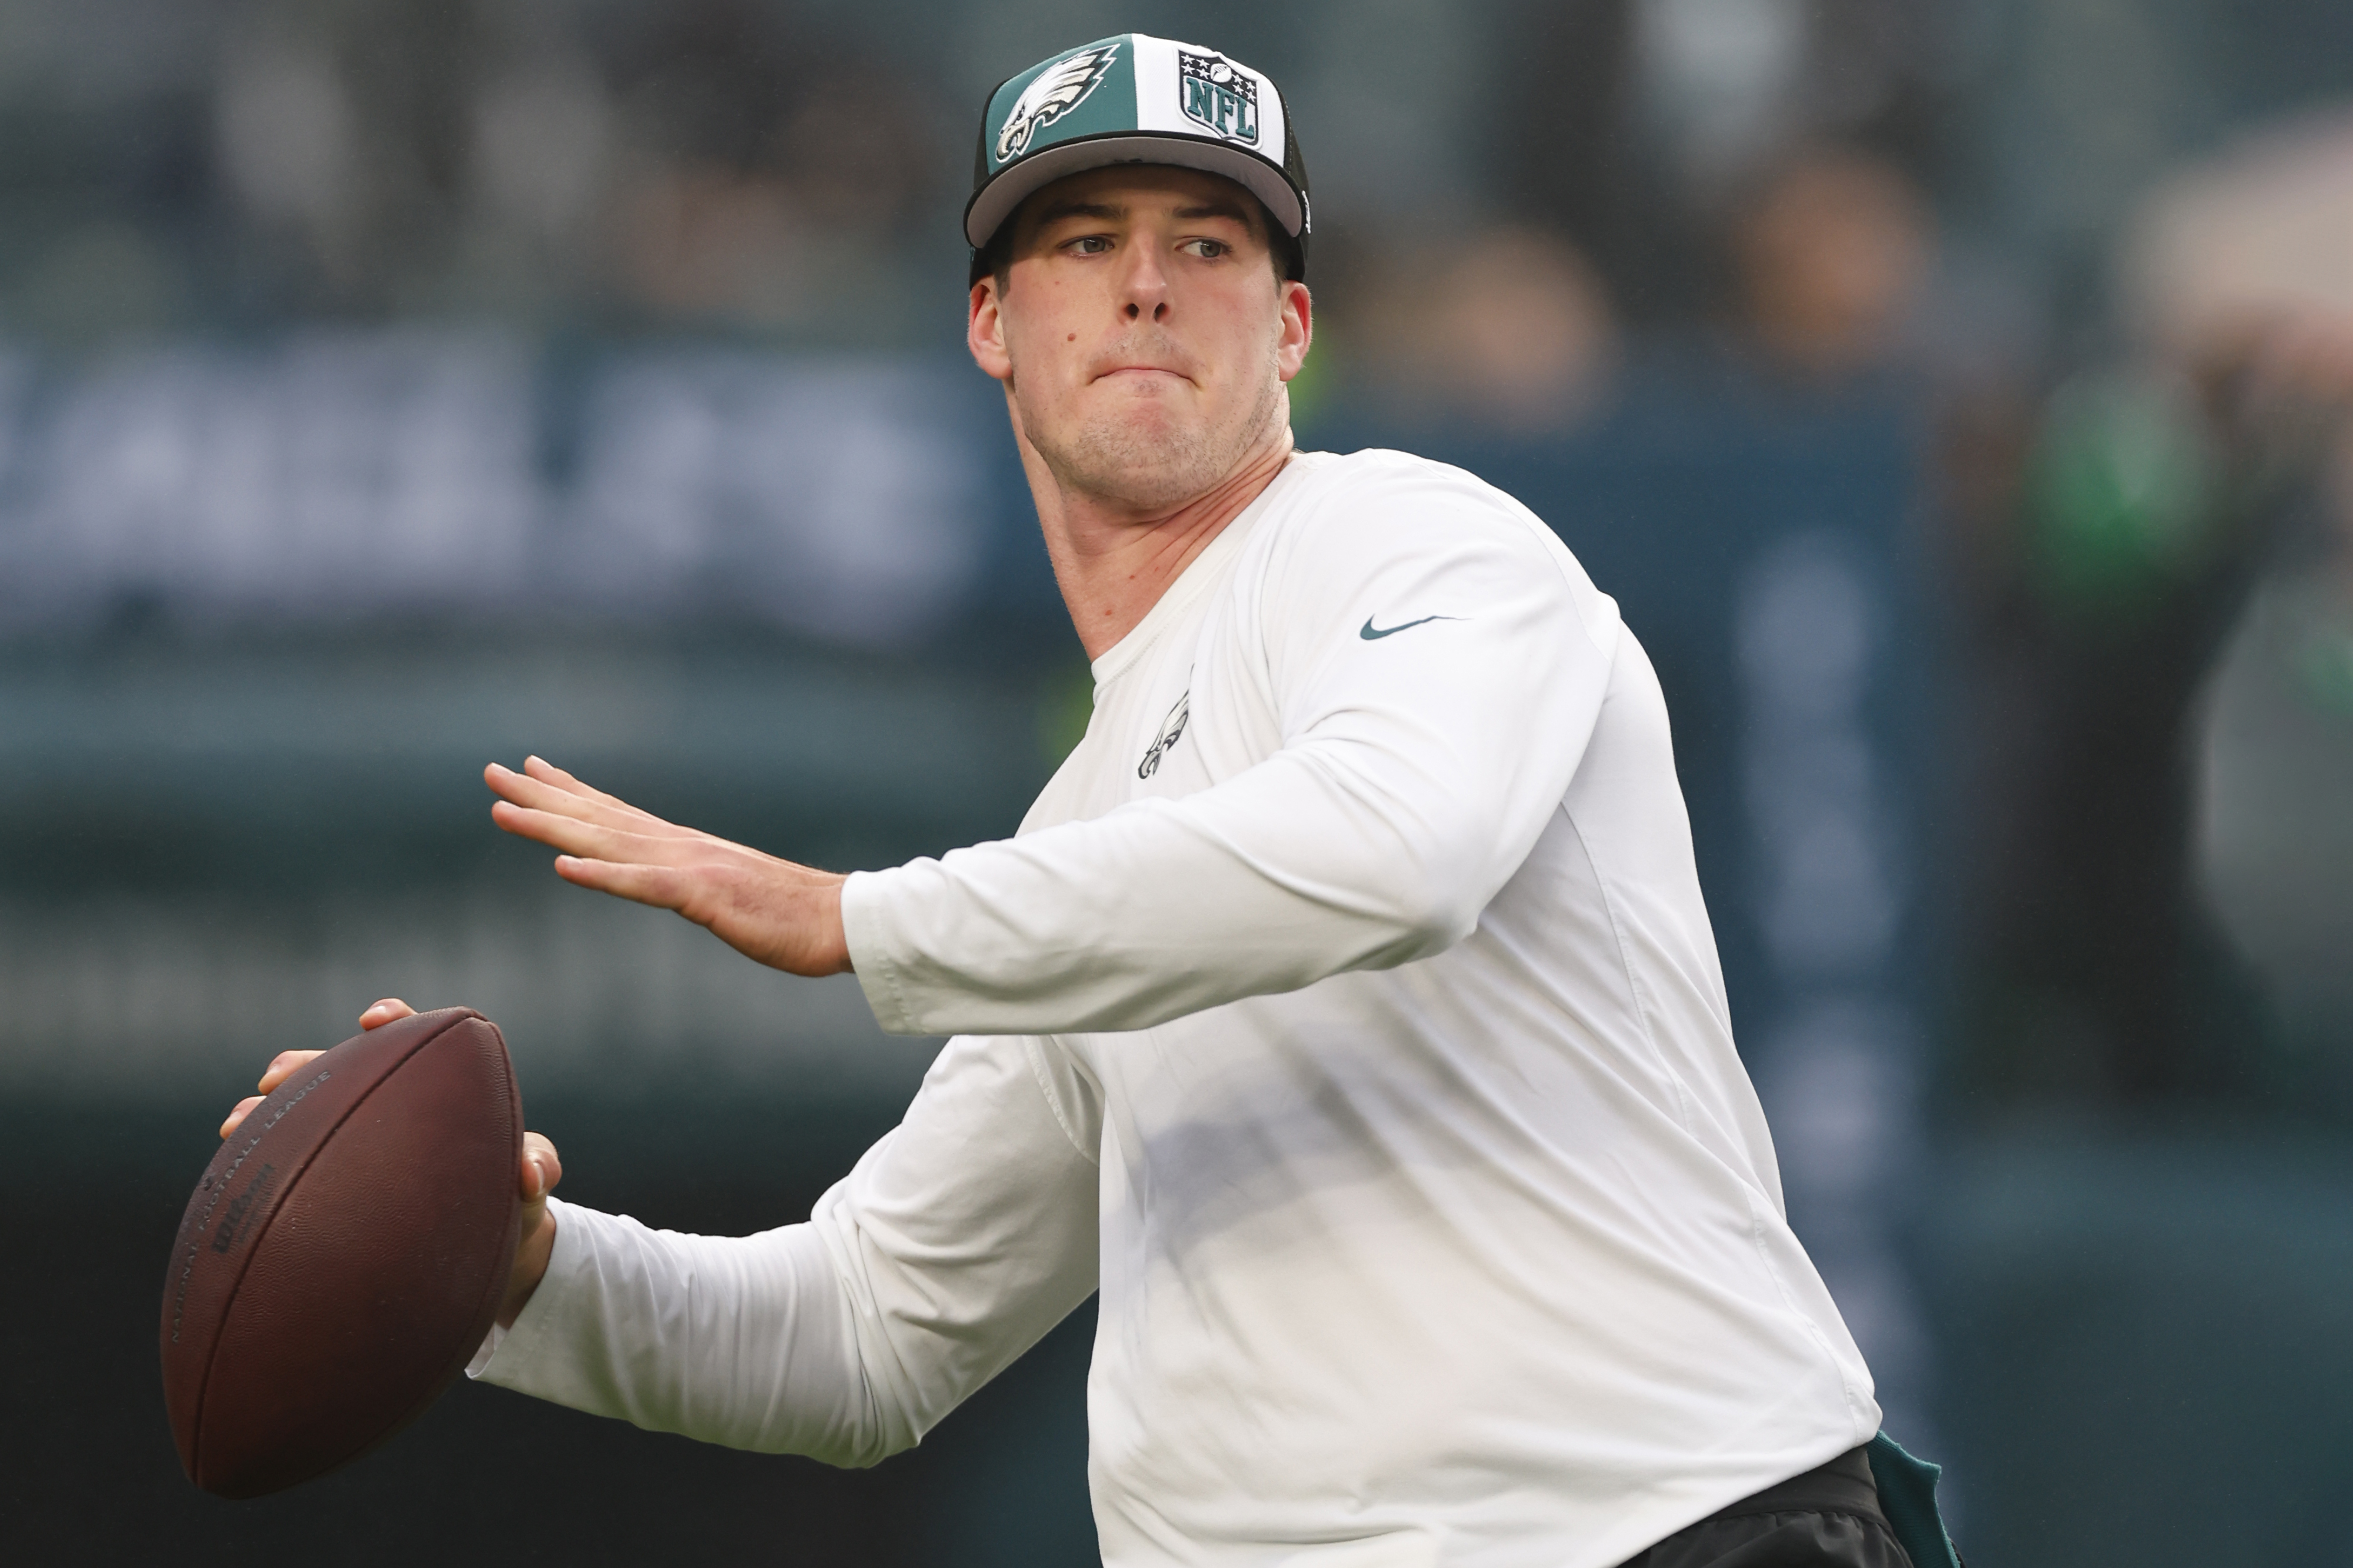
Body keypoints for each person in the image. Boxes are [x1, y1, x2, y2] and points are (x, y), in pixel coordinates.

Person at [223, 35, 1949, 1568]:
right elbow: (865, 1333)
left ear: (1290, 326)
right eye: (1080, 241)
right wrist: (518, 1265)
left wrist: (859, 920)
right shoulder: (1089, 843)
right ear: (993, 324)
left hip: (1668, 1528)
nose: (1143, 287)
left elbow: (1396, 850)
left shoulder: (1421, 539)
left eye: (1205, 245)